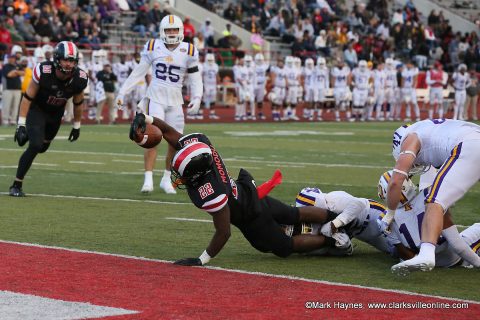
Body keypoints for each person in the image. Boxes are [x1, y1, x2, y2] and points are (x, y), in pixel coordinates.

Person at [129, 113, 348, 265]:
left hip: (252, 218)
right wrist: (146, 119)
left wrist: (202, 259)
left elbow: (224, 233)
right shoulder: (202, 147)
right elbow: (166, 131)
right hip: (250, 194)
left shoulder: (210, 191)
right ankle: (340, 218)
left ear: (195, 174)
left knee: (284, 247)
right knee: (293, 213)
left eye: (181, 171)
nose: (178, 175)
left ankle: (332, 241)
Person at [116, 14, 203, 194]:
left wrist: (197, 96)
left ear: (180, 31)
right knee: (152, 138)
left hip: (175, 100)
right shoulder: (153, 46)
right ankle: (148, 179)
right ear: (162, 31)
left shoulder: (189, 50)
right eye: (168, 30)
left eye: (174, 30)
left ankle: (166, 179)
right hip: (155, 98)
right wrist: (122, 92)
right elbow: (139, 72)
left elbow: (195, 77)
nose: (171, 33)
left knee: (175, 142)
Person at [381, 119, 480, 274]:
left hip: (468, 145)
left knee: (434, 201)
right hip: (473, 138)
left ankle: (426, 254)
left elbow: (395, 181)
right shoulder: (431, 131)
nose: (415, 166)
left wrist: (390, 213)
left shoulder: (410, 138)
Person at [9, 41, 88, 197]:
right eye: (66, 59)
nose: (69, 64)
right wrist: (21, 124)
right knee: (36, 145)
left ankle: (29, 137)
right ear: (57, 59)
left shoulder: (80, 78)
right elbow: (27, 98)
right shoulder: (44, 71)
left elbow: (78, 104)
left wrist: (77, 126)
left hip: (55, 115)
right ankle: (16, 185)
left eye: (72, 60)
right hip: (37, 110)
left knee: (43, 148)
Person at [378, 171, 480, 273]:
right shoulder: (430, 197)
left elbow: (405, 255)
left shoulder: (385, 219)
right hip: (455, 258)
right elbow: (457, 245)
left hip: (427, 260)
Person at [1, 53, 23, 126]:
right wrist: (17, 72)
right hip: (7, 89)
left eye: (13, 58)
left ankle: (13, 120)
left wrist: (15, 72)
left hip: (17, 89)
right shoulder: (5, 66)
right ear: (8, 59)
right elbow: (8, 75)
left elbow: (23, 73)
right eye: (10, 58)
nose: (11, 59)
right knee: (7, 105)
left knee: (15, 105)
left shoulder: (18, 65)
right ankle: (5, 120)